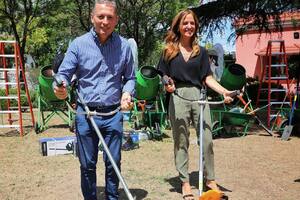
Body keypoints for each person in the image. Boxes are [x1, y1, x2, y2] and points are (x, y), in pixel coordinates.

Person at [53, 1, 135, 199]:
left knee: (113, 162)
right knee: (87, 163)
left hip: (113, 114)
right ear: (92, 18)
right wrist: (59, 88)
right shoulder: (78, 44)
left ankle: (112, 197)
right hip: (85, 115)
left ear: (116, 20)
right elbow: (62, 74)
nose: (105, 21)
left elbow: (130, 78)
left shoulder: (124, 47)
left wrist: (127, 93)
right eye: (101, 16)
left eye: (110, 17)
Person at [157, 9, 233, 200]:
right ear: (178, 26)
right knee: (181, 140)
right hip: (178, 96)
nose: (189, 26)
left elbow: (207, 78)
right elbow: (163, 74)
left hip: (199, 95)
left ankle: (210, 181)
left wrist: (224, 91)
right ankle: (185, 182)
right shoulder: (168, 51)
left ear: (195, 26)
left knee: (207, 139)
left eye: (192, 23)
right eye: (185, 23)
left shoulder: (201, 52)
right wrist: (167, 83)